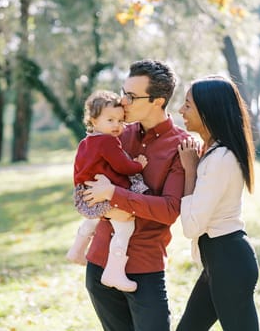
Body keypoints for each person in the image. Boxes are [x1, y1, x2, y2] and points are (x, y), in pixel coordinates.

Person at [82, 59, 189, 331]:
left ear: (158, 100)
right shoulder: (115, 134)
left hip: (145, 268)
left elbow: (169, 210)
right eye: (123, 91)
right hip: (99, 263)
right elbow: (86, 183)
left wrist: (114, 194)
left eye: (131, 96)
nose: (122, 101)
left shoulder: (181, 146)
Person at [176, 76, 259, 330]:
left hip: (228, 262)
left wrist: (190, 170)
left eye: (188, 105)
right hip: (218, 261)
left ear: (208, 110)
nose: (181, 110)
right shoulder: (212, 152)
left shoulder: (221, 158)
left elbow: (192, 227)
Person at [67, 90, 149, 292]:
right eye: (110, 120)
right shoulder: (108, 141)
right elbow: (122, 166)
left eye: (121, 121)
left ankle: (77, 250)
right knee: (125, 226)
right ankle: (114, 272)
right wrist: (138, 165)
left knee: (93, 218)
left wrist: (82, 186)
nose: (117, 126)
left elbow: (77, 169)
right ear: (94, 121)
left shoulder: (85, 142)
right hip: (103, 193)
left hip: (85, 192)